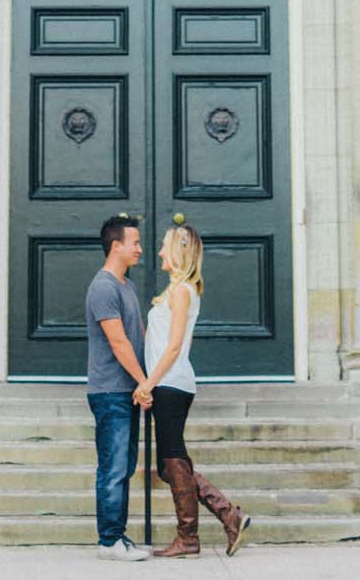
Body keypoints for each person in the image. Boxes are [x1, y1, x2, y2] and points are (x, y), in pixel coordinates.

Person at [134, 223, 250, 559]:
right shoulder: (177, 291)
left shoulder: (183, 291)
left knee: (174, 462)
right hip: (167, 382)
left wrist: (147, 383)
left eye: (163, 246)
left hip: (171, 383)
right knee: (171, 466)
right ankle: (228, 514)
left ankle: (190, 537)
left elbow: (173, 348)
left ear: (178, 251)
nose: (158, 253)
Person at [86, 212, 153, 562]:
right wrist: (144, 382)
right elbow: (119, 342)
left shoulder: (127, 286)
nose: (140, 248)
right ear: (117, 246)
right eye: (135, 242)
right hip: (111, 391)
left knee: (124, 466)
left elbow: (138, 336)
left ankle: (118, 537)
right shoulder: (104, 287)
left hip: (128, 390)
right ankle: (109, 541)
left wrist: (149, 380)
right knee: (113, 468)